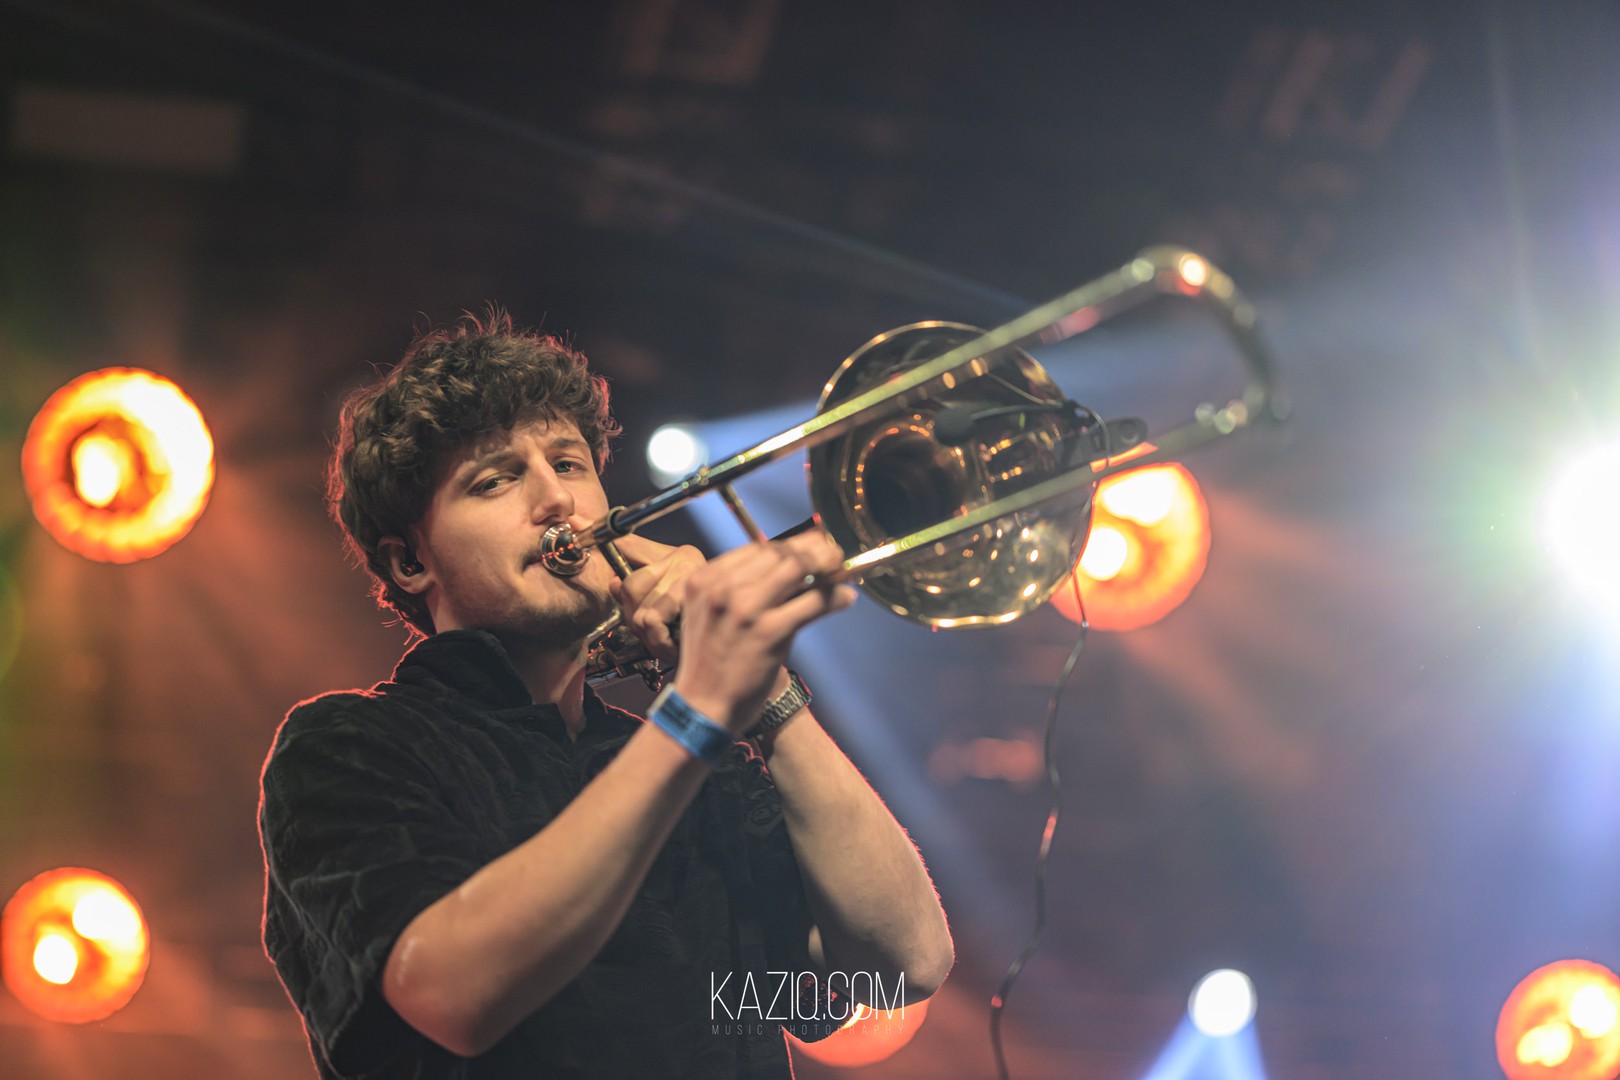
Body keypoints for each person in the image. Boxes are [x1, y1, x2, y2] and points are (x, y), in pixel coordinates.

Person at [258, 310, 954, 1080]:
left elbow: (902, 967)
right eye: (496, 480)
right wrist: (697, 713)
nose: (557, 501)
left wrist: (767, 696)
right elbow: (451, 998)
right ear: (410, 562)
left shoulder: (697, 767)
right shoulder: (349, 746)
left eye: (569, 464)